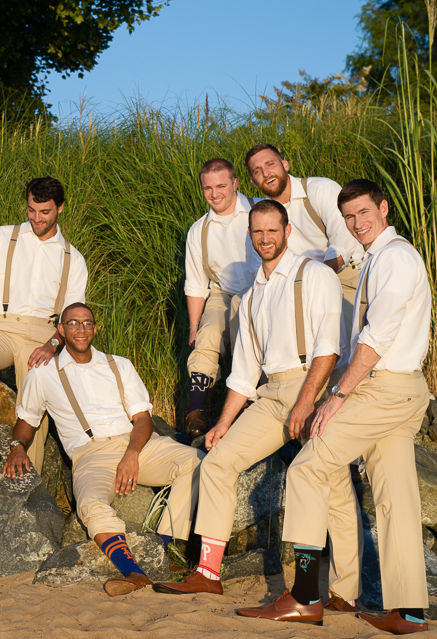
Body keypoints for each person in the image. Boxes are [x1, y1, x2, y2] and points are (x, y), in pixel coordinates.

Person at [237, 180, 432, 633]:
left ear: (384, 209)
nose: (357, 223)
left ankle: (305, 596)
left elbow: (377, 337)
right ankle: (409, 611)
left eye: (364, 212)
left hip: (383, 389)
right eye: (349, 217)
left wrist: (339, 394)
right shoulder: (379, 258)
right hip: (400, 389)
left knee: (308, 468)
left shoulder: (396, 257)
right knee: (395, 498)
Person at [154, 199, 362, 609]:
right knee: (217, 462)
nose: (265, 238)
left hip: (314, 386)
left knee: (333, 485)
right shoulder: (250, 298)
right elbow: (245, 375)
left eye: (272, 230)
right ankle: (208, 573)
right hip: (271, 395)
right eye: (258, 232)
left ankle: (344, 593)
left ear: (287, 232)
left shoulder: (314, 275)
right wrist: (223, 424)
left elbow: (329, 348)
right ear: (250, 237)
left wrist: (306, 404)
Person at [3, 302, 204, 596]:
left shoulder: (119, 364)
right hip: (90, 453)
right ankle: (134, 572)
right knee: (91, 505)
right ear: (61, 330)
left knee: (197, 461)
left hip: (135, 443)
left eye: (87, 323)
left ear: (95, 329)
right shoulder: (43, 373)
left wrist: (132, 454)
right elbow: (27, 419)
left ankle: (159, 546)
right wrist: (17, 446)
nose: (81, 328)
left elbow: (143, 419)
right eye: (73, 323)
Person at [0, 177, 87, 485]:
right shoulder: (3, 237)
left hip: (43, 334)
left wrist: (53, 344)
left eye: (44, 212)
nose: (37, 219)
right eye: (31, 210)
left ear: (60, 208)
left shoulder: (73, 258)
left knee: (38, 387)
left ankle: (30, 483)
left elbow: (73, 317)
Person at [244, 144, 364, 325]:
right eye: (258, 171)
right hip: (295, 286)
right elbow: (259, 267)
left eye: (270, 164)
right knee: (246, 307)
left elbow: (342, 248)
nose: (266, 173)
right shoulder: (260, 216)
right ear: (253, 181)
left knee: (342, 335)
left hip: (344, 276)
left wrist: (309, 286)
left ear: (285, 165)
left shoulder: (321, 189)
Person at [183, 158, 261, 439]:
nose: (214, 194)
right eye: (207, 188)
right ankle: (196, 411)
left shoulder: (259, 210)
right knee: (208, 331)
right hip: (222, 291)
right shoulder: (198, 230)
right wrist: (194, 326)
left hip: (261, 288)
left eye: (221, 186)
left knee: (244, 327)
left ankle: (250, 405)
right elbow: (195, 283)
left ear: (235, 183)